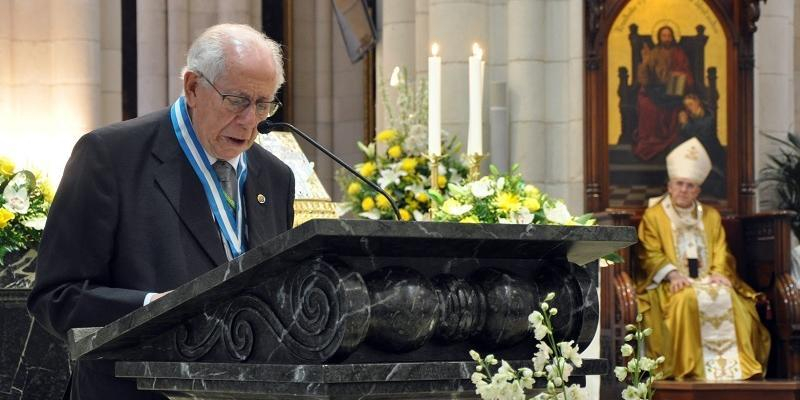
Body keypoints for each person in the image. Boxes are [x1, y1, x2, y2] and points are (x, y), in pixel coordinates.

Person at [27, 24, 295, 400]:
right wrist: (152, 309)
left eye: (263, 104)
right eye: (237, 101)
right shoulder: (109, 156)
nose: (251, 120)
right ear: (193, 88)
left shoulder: (276, 177)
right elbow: (56, 297)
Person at [636, 138, 770, 380]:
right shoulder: (654, 216)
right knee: (686, 300)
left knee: (731, 298)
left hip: (708, 279)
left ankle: (737, 370)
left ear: (698, 190)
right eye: (679, 184)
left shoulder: (711, 216)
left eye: (690, 186)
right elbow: (649, 252)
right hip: (670, 285)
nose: (684, 190)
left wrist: (719, 272)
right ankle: (689, 370)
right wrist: (672, 274)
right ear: (669, 186)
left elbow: (721, 250)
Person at [634, 26, 694, 161]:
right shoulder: (654, 53)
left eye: (669, 36)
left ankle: (670, 141)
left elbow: (687, 74)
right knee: (646, 105)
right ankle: (650, 139)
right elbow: (644, 78)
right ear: (659, 38)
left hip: (674, 89)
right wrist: (645, 61)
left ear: (673, 37)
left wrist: (680, 75)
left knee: (675, 104)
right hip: (656, 89)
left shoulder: (679, 53)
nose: (666, 39)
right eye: (664, 36)